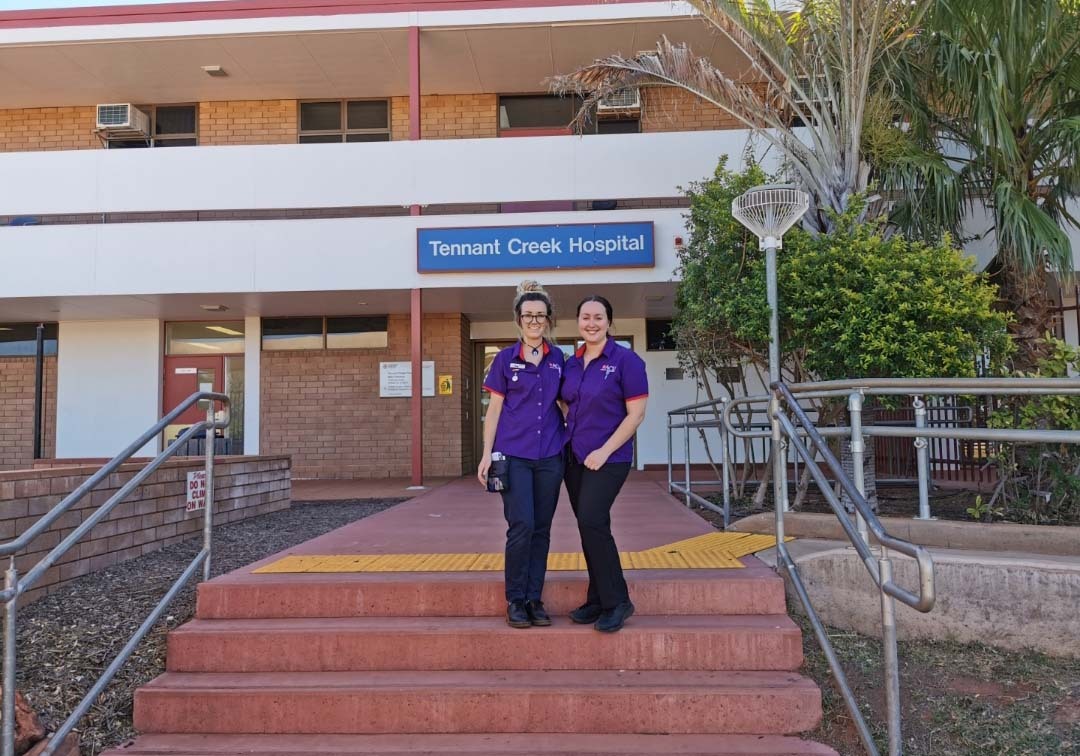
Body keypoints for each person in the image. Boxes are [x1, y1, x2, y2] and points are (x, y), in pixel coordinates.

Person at [478, 281, 566, 629]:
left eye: (540, 316)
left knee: (542, 529)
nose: (534, 321)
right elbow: (494, 409)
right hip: (514, 455)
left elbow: (567, 403)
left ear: (548, 320)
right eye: (528, 315)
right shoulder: (503, 359)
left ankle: (534, 598)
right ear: (518, 319)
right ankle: (515, 599)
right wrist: (487, 454)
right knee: (522, 526)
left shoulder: (558, 358)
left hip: (550, 456)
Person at [560, 295, 648, 633]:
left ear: (609, 322)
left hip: (609, 457)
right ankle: (597, 598)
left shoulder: (627, 361)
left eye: (598, 317)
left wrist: (605, 450)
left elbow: (636, 414)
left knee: (592, 520)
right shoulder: (572, 363)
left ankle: (617, 601)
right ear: (578, 322)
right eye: (585, 317)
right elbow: (565, 401)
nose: (591, 323)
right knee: (589, 526)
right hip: (575, 457)